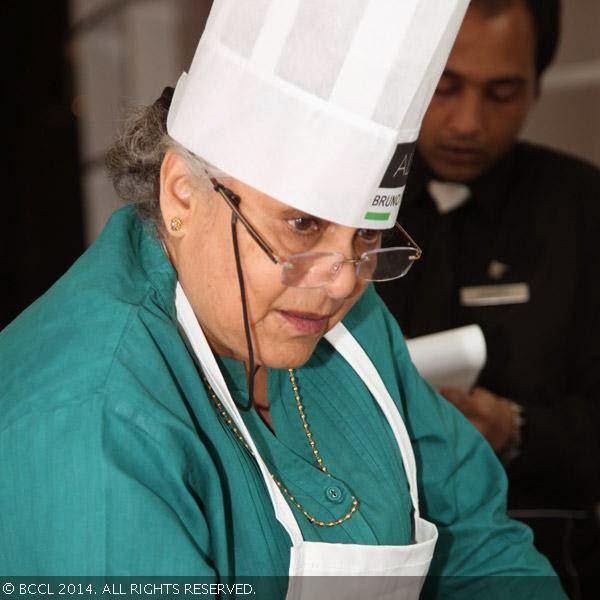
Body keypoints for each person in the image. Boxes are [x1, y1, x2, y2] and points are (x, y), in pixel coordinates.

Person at [0, 1, 566, 598]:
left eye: (366, 236)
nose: (344, 281)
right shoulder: (86, 418)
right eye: (302, 223)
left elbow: (478, 543)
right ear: (181, 195)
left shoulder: (346, 320)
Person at [375, 0, 600, 597]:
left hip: (552, 552)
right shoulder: (346, 205)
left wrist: (517, 429)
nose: (468, 122)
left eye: (501, 94)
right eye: (444, 89)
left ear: (536, 86)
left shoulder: (583, 210)